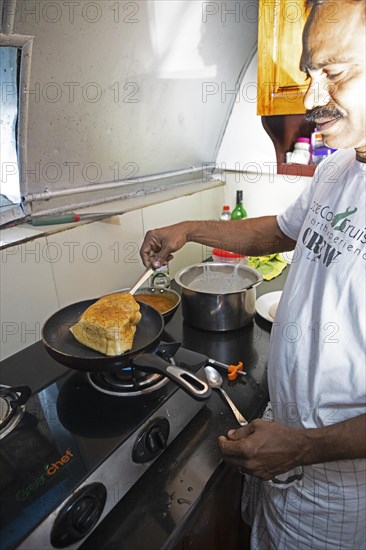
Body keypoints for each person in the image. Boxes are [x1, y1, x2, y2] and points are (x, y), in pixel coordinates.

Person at [140, 0, 366, 547]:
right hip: (280, 444)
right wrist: (190, 228)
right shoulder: (338, 167)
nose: (312, 98)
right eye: (309, 75)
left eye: (333, 72)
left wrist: (305, 447)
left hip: (341, 485)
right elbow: (278, 232)